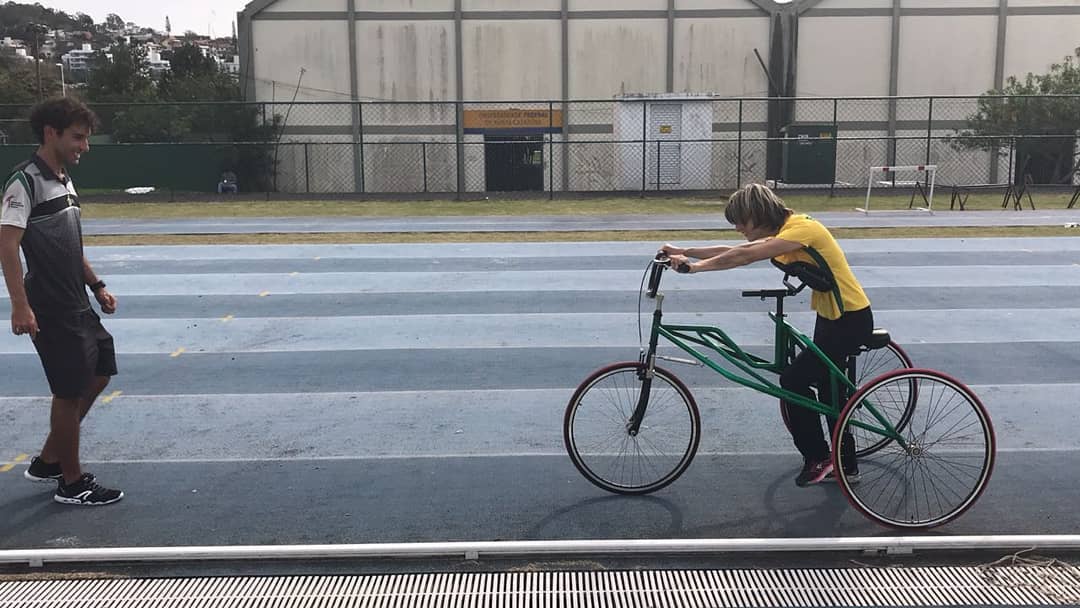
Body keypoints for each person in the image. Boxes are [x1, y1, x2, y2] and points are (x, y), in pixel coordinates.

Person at [662, 183, 873, 487]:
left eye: (740, 221)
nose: (737, 228)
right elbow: (739, 251)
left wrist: (694, 269)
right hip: (831, 317)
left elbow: (745, 256)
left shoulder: (802, 229)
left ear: (756, 214)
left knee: (794, 381)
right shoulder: (786, 232)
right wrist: (686, 251)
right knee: (828, 389)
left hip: (850, 320)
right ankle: (845, 464)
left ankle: (820, 457)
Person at [0, 97, 124, 505]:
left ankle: (50, 459)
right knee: (68, 392)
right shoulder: (24, 181)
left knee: (100, 371)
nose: (84, 146)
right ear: (50, 133)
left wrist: (97, 284)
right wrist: (20, 305)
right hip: (50, 305)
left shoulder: (64, 178)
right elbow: (7, 245)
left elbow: (73, 246)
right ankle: (71, 483)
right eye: (78, 137)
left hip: (76, 301)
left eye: (86, 138)